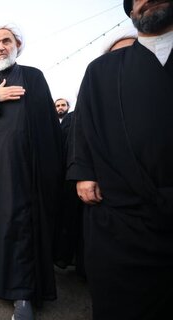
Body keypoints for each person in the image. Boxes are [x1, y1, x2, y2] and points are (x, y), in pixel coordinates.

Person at [66, 1, 173, 319]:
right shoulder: (101, 71)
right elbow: (83, 124)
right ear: (130, 11)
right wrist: (82, 172)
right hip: (120, 220)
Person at [0, 23, 63, 319]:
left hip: (24, 173)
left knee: (20, 228)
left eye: (6, 41)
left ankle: (22, 294)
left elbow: (47, 126)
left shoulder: (33, 76)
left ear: (18, 45)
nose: (1, 47)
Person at [53, 98, 84, 275]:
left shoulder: (72, 119)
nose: (60, 108)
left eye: (63, 105)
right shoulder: (53, 122)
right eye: (57, 106)